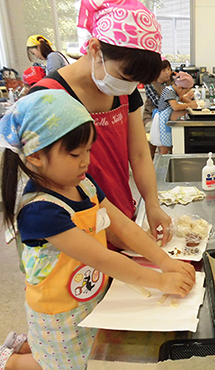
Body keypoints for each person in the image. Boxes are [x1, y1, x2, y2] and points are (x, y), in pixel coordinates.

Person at [0, 90, 195, 370]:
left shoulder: (82, 184)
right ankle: (9, 362)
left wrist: (166, 261)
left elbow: (124, 227)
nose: (86, 162)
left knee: (93, 355)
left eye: (88, 151)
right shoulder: (40, 210)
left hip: (90, 295)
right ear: (35, 156)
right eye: (75, 155)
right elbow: (103, 258)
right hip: (61, 312)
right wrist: (161, 281)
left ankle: (29, 347)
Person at [30, 0, 172, 249]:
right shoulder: (48, 96)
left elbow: (139, 154)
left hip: (122, 216)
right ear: (95, 49)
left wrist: (151, 203)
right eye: (125, 77)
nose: (129, 88)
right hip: (75, 230)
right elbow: (45, 185)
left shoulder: (125, 92)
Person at [151, 72, 197, 155]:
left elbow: (181, 98)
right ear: (180, 87)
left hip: (167, 121)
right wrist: (189, 105)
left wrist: (192, 102)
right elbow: (175, 106)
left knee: (171, 145)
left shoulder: (175, 91)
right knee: (163, 150)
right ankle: (160, 167)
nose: (185, 94)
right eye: (185, 91)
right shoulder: (168, 91)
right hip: (161, 122)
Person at [143, 59, 173, 158]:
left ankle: (166, 159)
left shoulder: (171, 82)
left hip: (168, 118)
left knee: (174, 132)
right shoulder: (150, 84)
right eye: (164, 70)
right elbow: (159, 104)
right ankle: (153, 160)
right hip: (151, 116)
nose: (167, 72)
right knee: (158, 132)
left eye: (169, 69)